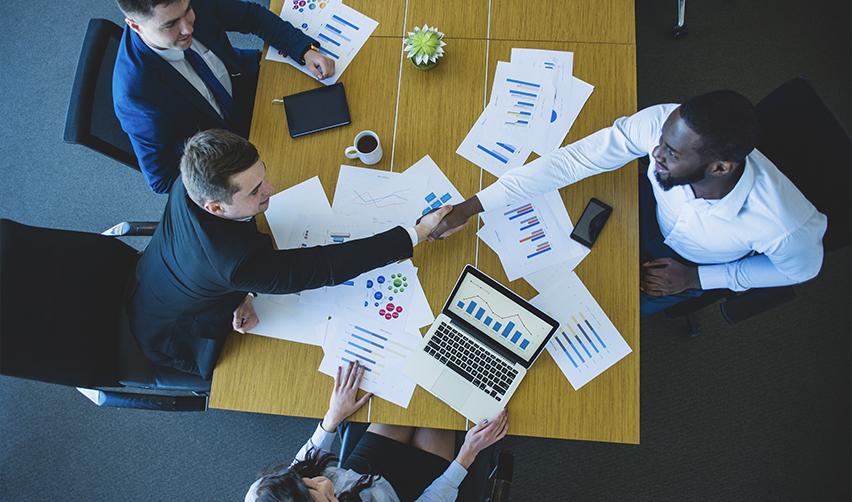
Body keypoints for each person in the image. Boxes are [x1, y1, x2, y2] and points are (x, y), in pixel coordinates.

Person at [429, 90, 827, 317]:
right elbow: (573, 160)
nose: (654, 153)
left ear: (720, 167)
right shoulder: (664, 125)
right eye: (662, 141)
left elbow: (799, 271)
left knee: (595, 317)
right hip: (645, 212)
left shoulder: (785, 224)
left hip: (689, 266)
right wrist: (470, 207)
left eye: (670, 152)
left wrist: (698, 280)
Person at [128, 129, 452, 378]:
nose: (271, 189)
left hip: (157, 271)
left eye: (262, 175)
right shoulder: (238, 264)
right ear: (214, 206)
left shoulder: (189, 182)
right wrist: (417, 233)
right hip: (176, 332)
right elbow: (328, 266)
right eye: (255, 191)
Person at [113, 0, 335, 193]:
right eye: (170, 25)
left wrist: (304, 49)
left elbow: (251, 17)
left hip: (247, 83)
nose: (187, 28)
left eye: (188, 11)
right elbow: (163, 180)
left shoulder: (183, 7)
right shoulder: (137, 95)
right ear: (135, 25)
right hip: (233, 148)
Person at [245, 360, 509, 502]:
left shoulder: (265, 495)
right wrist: (466, 455)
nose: (323, 481)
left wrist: (332, 417)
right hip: (404, 495)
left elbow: (301, 464)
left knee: (410, 391)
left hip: (361, 476)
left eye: (308, 482)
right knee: (441, 406)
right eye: (323, 496)